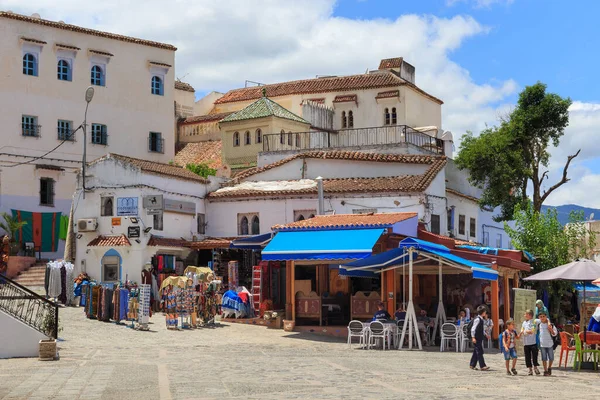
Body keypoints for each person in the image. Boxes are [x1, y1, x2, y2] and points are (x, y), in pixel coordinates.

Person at [537, 311, 558, 376]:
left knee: (551, 357)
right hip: (542, 344)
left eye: (544, 316)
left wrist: (551, 330)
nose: (542, 318)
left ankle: (549, 367)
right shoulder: (539, 325)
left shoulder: (551, 325)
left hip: (550, 343)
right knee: (544, 358)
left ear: (546, 317)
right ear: (539, 318)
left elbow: (555, 334)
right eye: (541, 317)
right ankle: (545, 370)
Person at [469, 305, 490, 371]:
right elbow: (473, 329)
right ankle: (482, 365)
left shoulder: (481, 319)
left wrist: (486, 334)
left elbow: (481, 329)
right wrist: (473, 337)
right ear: (483, 312)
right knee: (479, 351)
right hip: (476, 338)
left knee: (476, 351)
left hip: (479, 337)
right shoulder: (477, 319)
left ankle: (472, 364)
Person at [521, 309, 540, 375]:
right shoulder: (524, 323)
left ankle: (535, 367)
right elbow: (522, 330)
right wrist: (522, 332)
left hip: (533, 343)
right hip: (526, 343)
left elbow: (532, 331)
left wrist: (525, 332)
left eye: (526, 314)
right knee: (527, 357)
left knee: (534, 356)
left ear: (529, 315)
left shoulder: (533, 322)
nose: (524, 315)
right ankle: (530, 369)